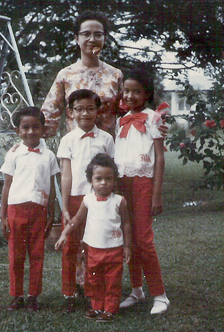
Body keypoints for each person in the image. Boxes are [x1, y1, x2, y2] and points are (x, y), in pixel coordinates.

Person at [115, 68, 170, 314]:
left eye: (136, 91)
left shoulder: (153, 118)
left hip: (143, 183)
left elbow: (159, 157)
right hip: (122, 184)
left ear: (147, 93)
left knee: (144, 241)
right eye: (126, 91)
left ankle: (160, 295)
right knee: (129, 239)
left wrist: (156, 194)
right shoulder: (121, 120)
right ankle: (136, 290)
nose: (130, 95)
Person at [56, 89, 115, 312]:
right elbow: (66, 174)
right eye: (79, 109)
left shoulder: (107, 139)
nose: (85, 114)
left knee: (94, 246)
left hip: (98, 200)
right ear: (71, 112)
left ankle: (93, 291)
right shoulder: (67, 140)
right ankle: (70, 291)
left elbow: (110, 173)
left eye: (90, 108)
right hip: (73, 199)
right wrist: (64, 206)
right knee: (70, 246)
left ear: (97, 111)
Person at [55, 153, 131, 323]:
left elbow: (126, 224)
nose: (103, 182)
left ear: (114, 180)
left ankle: (110, 308)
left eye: (108, 178)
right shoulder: (88, 200)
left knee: (112, 280)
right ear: (91, 180)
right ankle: (97, 306)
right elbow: (75, 220)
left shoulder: (119, 201)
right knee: (94, 279)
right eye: (98, 178)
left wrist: (127, 246)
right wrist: (64, 233)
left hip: (114, 249)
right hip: (93, 250)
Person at [0, 106, 60, 312]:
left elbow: (51, 187)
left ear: (43, 129)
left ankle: (33, 295)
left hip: (39, 211)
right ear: (18, 131)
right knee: (16, 256)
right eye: (25, 127)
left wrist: (52, 213)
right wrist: (3, 217)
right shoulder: (13, 154)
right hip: (16, 210)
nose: (31, 132)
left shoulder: (49, 156)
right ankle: (16, 296)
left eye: (36, 127)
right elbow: (7, 186)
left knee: (36, 255)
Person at [41, 10, 123, 137]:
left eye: (98, 34)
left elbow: (130, 115)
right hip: (75, 152)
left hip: (108, 151)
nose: (92, 39)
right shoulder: (65, 75)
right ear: (77, 39)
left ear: (104, 38)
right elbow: (49, 117)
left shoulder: (115, 75)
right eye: (86, 34)